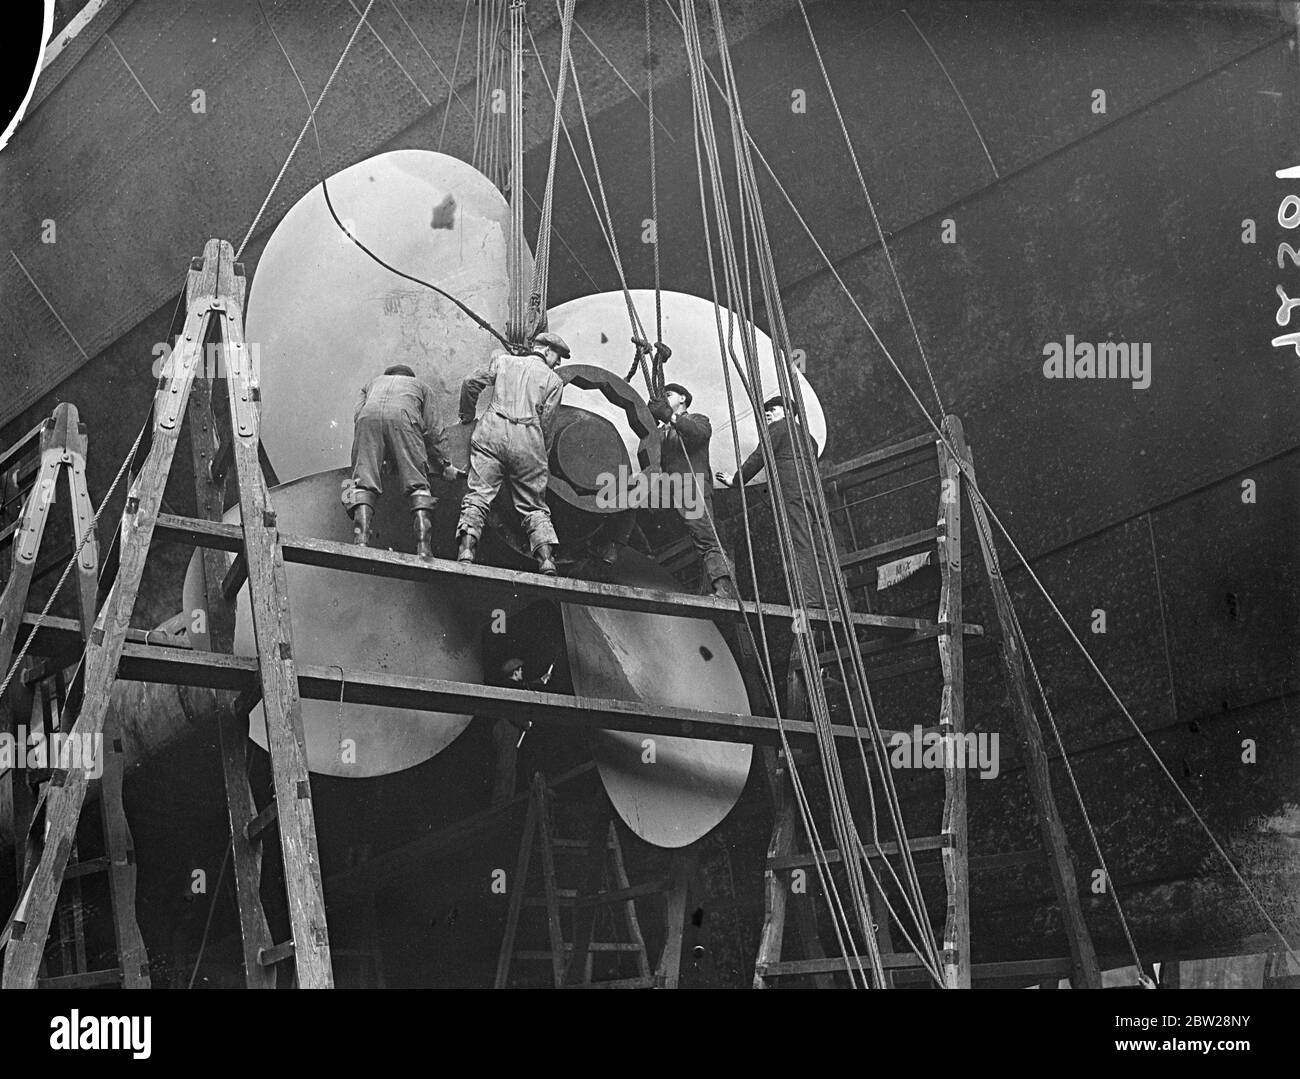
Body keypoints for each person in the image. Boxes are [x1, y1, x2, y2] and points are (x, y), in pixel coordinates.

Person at [456, 332, 568, 575]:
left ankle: (466, 551)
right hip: (528, 438)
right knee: (534, 505)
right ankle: (546, 561)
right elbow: (547, 423)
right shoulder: (554, 380)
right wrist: (541, 454)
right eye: (557, 357)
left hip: (492, 432)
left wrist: (467, 415)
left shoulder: (503, 361)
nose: (558, 363)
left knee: (479, 494)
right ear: (547, 351)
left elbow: (470, 381)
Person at [717, 394, 834, 606]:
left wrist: (736, 480)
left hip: (792, 490)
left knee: (800, 542)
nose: (768, 413)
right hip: (813, 491)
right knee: (819, 545)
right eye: (767, 410)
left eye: (774, 409)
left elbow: (759, 457)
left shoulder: (778, 428)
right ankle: (831, 600)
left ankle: (811, 600)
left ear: (788, 412)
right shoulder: (809, 437)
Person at [344, 363, 459, 558]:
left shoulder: (372, 383)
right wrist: (445, 463)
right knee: (417, 485)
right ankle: (424, 547)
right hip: (404, 419)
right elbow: (433, 429)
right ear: (409, 377)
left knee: (361, 483)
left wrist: (382, 454)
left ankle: (361, 539)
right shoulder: (421, 387)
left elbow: (358, 416)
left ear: (388, 375)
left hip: (366, 420)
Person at [647, 382, 736, 598]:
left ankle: (725, 588)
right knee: (628, 500)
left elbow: (697, 434)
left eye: (669, 394)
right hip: (669, 487)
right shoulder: (661, 432)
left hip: (691, 484)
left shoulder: (699, 420)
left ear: (683, 399)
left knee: (705, 536)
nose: (665, 398)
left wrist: (670, 416)